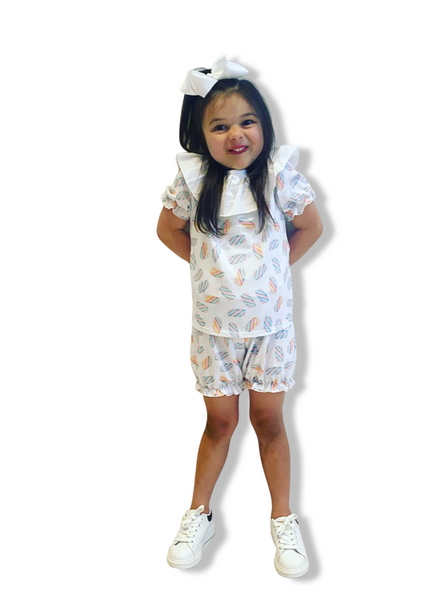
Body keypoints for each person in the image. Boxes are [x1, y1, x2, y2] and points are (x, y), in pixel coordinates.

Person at [157, 55, 323, 578]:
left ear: (264, 125)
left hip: (270, 331)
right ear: (200, 133)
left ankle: (283, 519)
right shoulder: (192, 182)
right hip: (214, 333)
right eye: (220, 126)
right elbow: (167, 230)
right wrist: (207, 270)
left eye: (247, 121)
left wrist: (273, 270)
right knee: (220, 423)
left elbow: (310, 227)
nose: (235, 134)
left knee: (269, 421)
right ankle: (199, 513)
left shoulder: (278, 177)